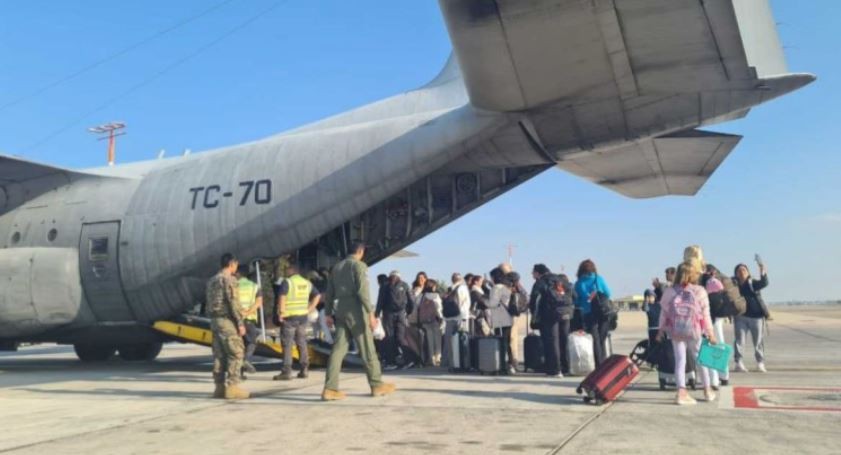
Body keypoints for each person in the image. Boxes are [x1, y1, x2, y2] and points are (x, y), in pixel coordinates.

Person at [322, 243, 395, 401]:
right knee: (367, 348)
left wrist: (328, 313)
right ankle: (376, 384)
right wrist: (370, 313)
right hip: (356, 310)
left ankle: (330, 388)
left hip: (340, 309)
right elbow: (363, 291)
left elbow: (329, 293)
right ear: (360, 252)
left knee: (338, 349)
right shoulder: (359, 266)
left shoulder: (336, 268)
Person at [656, 261, 717, 405]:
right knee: (700, 359)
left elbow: (663, 314)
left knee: (680, 360)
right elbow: (705, 314)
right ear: (693, 274)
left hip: (676, 331)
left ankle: (681, 392)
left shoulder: (670, 291)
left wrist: (660, 331)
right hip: (694, 331)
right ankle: (707, 390)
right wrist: (710, 333)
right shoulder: (699, 291)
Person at [206, 253, 249, 400]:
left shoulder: (212, 280)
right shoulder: (229, 280)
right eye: (236, 264)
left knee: (219, 354)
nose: (236, 268)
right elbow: (233, 302)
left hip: (214, 321)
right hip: (226, 321)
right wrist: (240, 323)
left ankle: (219, 387)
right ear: (231, 264)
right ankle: (232, 387)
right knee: (236, 352)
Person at [273, 265, 320, 381]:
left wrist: (281, 313)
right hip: (302, 317)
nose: (285, 271)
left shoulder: (287, 282)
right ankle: (304, 369)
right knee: (301, 343)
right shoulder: (307, 283)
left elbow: (282, 297)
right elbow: (317, 295)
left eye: (287, 269)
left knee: (287, 344)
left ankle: (286, 371)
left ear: (292, 270)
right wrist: (309, 309)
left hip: (289, 317)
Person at [530, 264, 573, 377]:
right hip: (566, 314)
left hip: (550, 315)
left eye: (533, 273)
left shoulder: (541, 282)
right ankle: (566, 367)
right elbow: (574, 294)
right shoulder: (561, 280)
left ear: (538, 273)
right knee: (564, 340)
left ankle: (555, 369)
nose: (532, 275)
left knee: (552, 342)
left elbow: (534, 299)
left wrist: (534, 315)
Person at [574, 260, 612, 367]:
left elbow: (576, 300)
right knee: (602, 338)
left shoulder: (579, 283)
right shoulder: (598, 279)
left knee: (594, 339)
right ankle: (604, 362)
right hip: (603, 312)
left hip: (588, 313)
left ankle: (598, 363)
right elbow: (608, 293)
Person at [733, 262, 770, 373]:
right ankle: (738, 363)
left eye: (744, 270)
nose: (742, 272)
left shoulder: (752, 283)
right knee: (739, 341)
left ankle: (760, 363)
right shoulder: (733, 284)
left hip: (756, 317)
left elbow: (764, 283)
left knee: (758, 341)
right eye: (739, 270)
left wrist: (762, 271)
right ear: (736, 273)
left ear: (748, 272)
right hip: (740, 317)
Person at [375, 270, 415, 370]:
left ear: (390, 276)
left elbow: (380, 301)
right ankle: (409, 360)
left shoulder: (385, 285)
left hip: (388, 314)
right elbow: (411, 301)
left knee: (390, 338)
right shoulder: (405, 285)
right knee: (401, 337)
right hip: (401, 314)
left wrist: (376, 314)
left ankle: (391, 362)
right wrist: (408, 312)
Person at [487, 268, 516, 374]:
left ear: (494, 277)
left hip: (500, 320)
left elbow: (492, 304)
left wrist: (484, 300)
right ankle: (511, 365)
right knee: (507, 343)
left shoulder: (496, 288)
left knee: (501, 343)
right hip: (507, 318)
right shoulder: (506, 287)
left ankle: (501, 365)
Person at [236, 264, 262, 377]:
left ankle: (239, 373)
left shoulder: (234, 285)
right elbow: (258, 302)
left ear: (238, 274)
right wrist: (248, 312)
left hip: (236, 319)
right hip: (249, 319)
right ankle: (246, 360)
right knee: (251, 342)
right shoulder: (255, 286)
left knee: (238, 346)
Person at [442, 273, 471, 368]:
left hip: (449, 317)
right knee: (461, 339)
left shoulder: (449, 289)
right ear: (461, 279)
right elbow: (466, 303)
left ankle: (449, 362)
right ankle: (461, 361)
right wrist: (465, 315)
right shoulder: (463, 288)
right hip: (460, 317)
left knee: (449, 340)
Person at [417, 279, 444, 366]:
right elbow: (439, 308)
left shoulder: (421, 296)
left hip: (425, 320)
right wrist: (441, 318)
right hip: (435, 320)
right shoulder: (435, 295)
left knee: (429, 339)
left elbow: (417, 306)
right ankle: (438, 358)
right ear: (432, 286)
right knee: (437, 339)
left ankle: (431, 358)